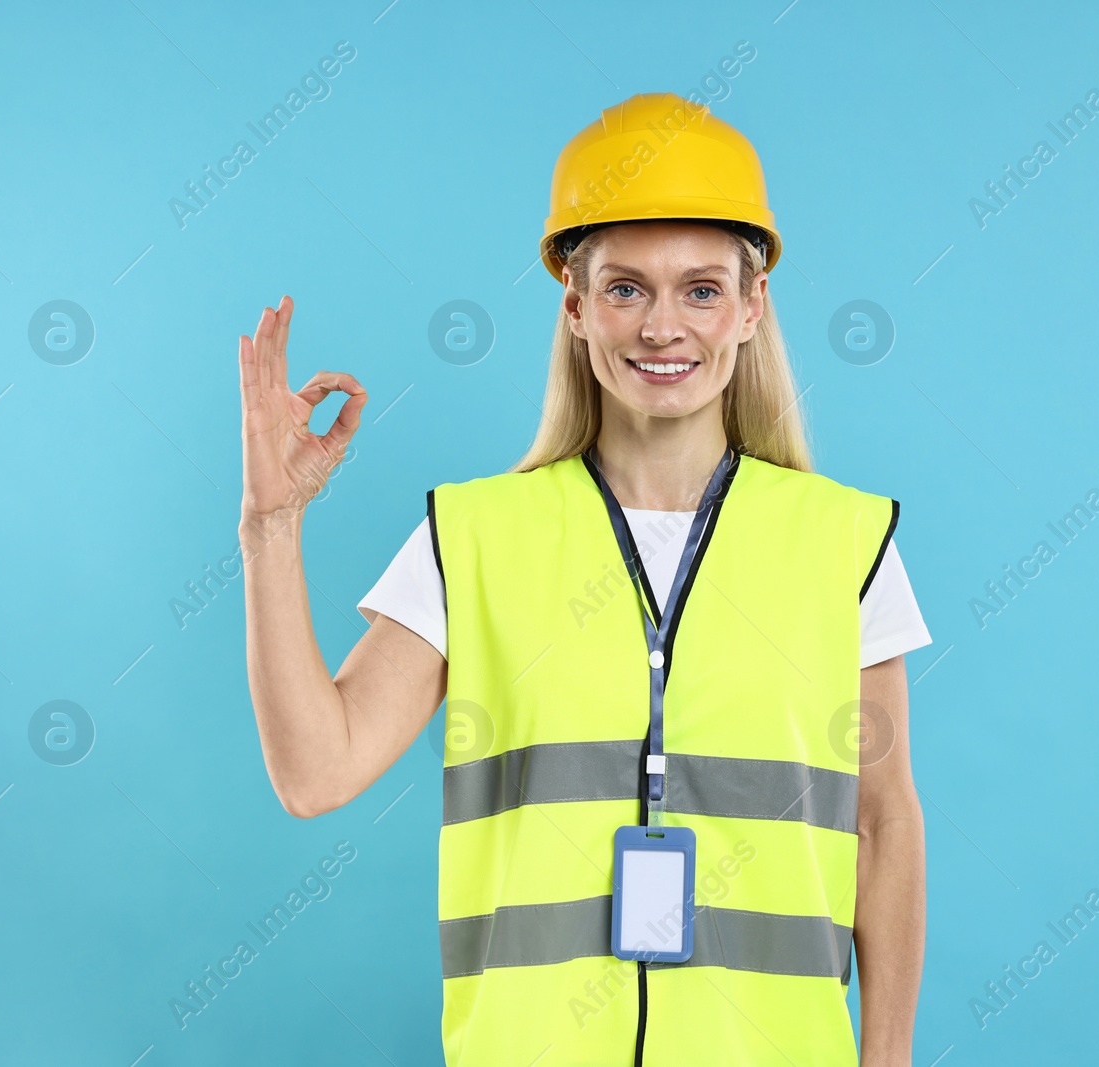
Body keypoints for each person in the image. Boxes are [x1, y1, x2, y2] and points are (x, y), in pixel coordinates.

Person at [238, 91, 929, 1067]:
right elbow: (315, 771)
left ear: (749, 306)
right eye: (624, 288)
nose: (662, 327)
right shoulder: (472, 536)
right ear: (574, 305)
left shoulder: (844, 543)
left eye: (699, 288)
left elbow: (882, 816)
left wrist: (887, 1058)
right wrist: (271, 526)